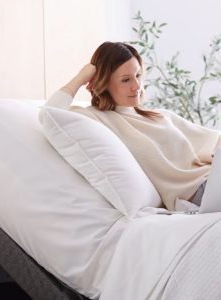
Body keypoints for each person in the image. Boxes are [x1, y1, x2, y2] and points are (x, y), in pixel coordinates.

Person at [42, 41, 221, 211]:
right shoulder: (96, 119)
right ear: (103, 83)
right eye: (126, 80)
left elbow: (214, 141)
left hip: (212, 179)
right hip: (199, 194)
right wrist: (81, 78)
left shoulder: (161, 116)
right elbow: (50, 114)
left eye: (138, 76)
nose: (136, 86)